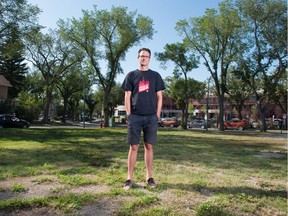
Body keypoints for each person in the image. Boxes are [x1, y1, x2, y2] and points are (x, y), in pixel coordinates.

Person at [121, 48, 165, 190]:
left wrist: (157, 114)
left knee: (149, 146)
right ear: (138, 58)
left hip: (151, 117)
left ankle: (149, 177)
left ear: (150, 58)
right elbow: (127, 96)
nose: (144, 58)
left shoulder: (155, 76)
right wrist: (129, 114)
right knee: (133, 147)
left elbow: (160, 96)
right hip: (135, 117)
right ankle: (129, 178)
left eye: (146, 56)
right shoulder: (131, 75)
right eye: (141, 56)